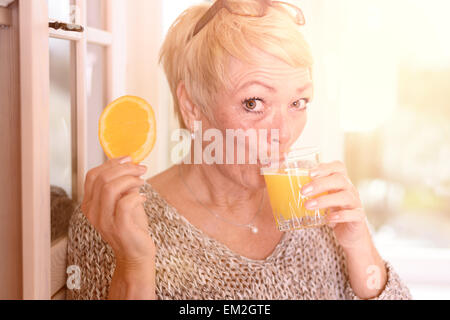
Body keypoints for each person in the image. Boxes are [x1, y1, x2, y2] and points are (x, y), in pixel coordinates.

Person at [67, 0, 412, 300]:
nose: (283, 132)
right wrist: (134, 263)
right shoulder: (116, 221)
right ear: (192, 106)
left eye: (298, 101)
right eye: (253, 103)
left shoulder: (316, 215)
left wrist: (359, 245)